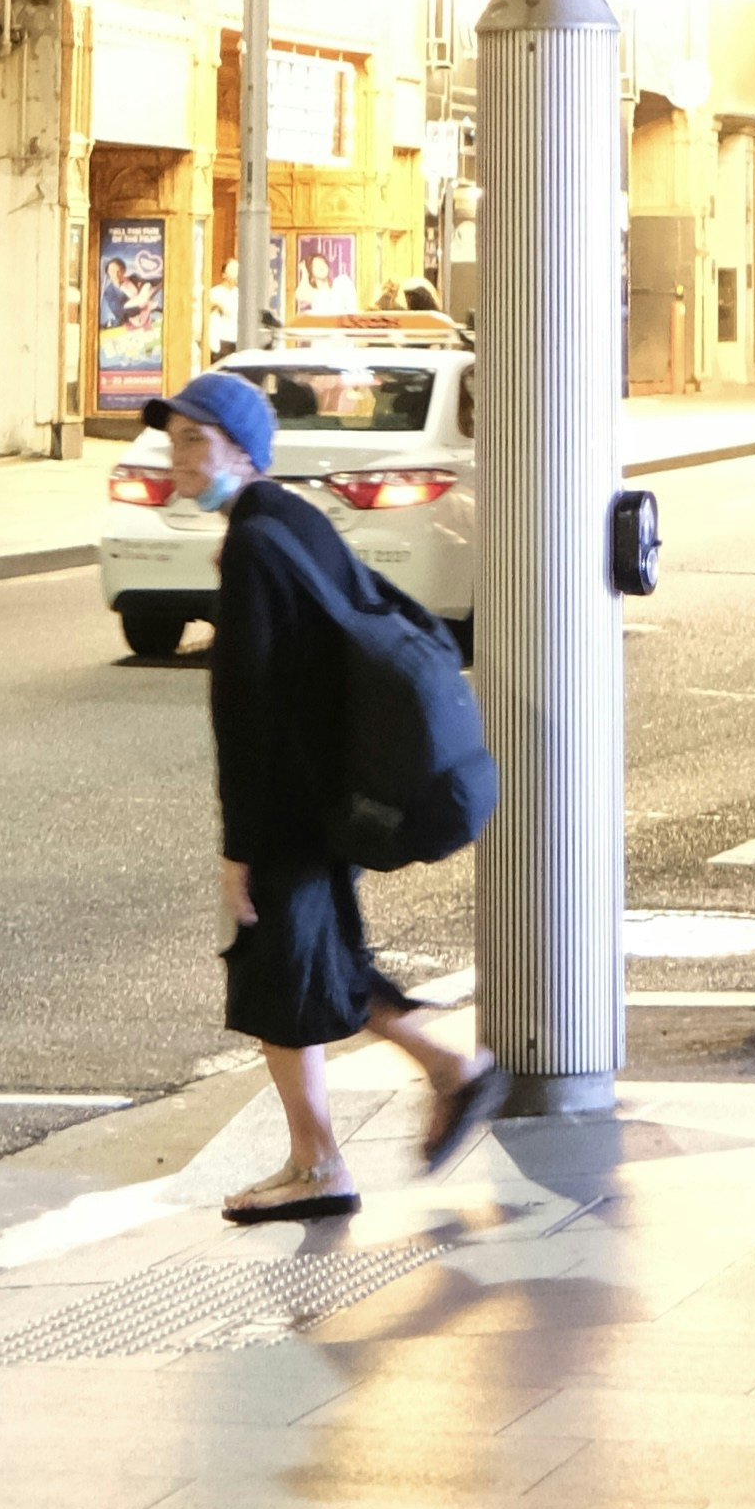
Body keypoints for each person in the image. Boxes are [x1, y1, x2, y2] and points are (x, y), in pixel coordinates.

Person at [165, 367, 504, 1221]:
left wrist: (238, 845)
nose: (179, 458)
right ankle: (416, 1085)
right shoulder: (291, 518)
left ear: (242, 449)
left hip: (291, 808)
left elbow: (246, 708)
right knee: (318, 967)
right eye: (174, 439)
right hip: (331, 796)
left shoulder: (253, 540)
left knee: (280, 976)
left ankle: (334, 1151)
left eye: (195, 440)